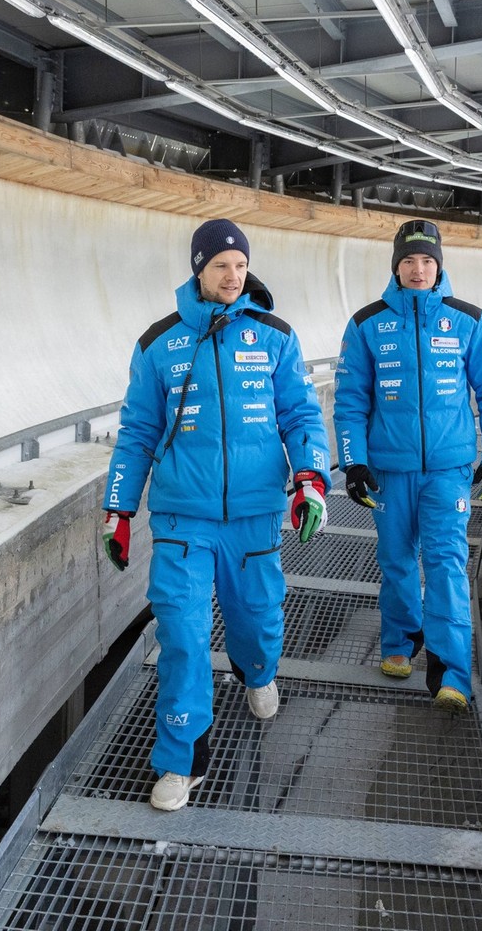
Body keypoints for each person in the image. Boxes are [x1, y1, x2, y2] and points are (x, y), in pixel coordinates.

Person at [101, 217, 330, 811]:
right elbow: (137, 432)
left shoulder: (275, 337)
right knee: (182, 633)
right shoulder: (160, 343)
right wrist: (119, 508)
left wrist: (309, 479)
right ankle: (183, 756)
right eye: (221, 265)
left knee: (256, 623)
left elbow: (301, 418)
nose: (233, 276)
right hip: (183, 520)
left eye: (240, 266)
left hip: (254, 515)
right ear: (198, 270)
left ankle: (258, 671)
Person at [332, 219, 482, 713]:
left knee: (446, 564)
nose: (418, 269)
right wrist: (354, 463)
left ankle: (451, 671)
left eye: (427, 260)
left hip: (447, 471)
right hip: (389, 470)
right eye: (409, 261)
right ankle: (399, 641)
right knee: (395, 562)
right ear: (396, 266)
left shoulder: (468, 320)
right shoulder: (367, 323)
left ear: (439, 265)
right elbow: (350, 400)